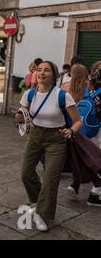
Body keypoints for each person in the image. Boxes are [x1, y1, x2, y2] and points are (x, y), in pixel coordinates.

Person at [16, 61, 82, 231]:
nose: (42, 73)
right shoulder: (29, 94)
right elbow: (22, 113)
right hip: (35, 136)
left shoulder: (62, 95)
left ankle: (43, 214)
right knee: (26, 173)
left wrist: (71, 131)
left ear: (54, 75)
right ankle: (38, 203)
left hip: (56, 138)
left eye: (46, 70)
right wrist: (19, 118)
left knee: (50, 180)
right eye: (39, 70)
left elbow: (77, 121)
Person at [66, 63, 101, 206]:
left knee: (88, 159)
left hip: (83, 128)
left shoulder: (89, 88)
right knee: (97, 162)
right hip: (97, 130)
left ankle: (78, 185)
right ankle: (94, 193)